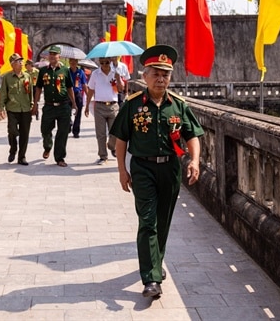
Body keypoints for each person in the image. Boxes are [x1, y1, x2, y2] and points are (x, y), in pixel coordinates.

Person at [110, 45, 203, 299]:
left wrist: (194, 160)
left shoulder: (179, 106)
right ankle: (150, 278)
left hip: (170, 168)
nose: (161, 79)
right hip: (143, 168)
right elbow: (121, 141)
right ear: (145, 76)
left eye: (166, 75)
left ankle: (155, 262)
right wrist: (122, 170)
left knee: (163, 221)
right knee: (148, 221)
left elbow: (192, 135)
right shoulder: (132, 105)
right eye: (156, 74)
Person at [33, 46, 76, 167]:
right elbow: (38, 88)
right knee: (45, 130)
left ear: (59, 57)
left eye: (54, 54)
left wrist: (74, 103)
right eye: (50, 54)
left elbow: (69, 87)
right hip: (49, 106)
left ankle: (60, 157)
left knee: (63, 133)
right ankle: (47, 146)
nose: (52, 56)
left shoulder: (65, 70)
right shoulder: (43, 71)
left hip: (63, 106)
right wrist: (35, 104)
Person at [84, 57, 123, 164]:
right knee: (100, 133)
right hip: (100, 106)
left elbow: (121, 89)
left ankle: (111, 145)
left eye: (106, 62)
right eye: (102, 63)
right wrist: (87, 105)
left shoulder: (115, 73)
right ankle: (103, 156)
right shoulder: (95, 74)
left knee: (115, 131)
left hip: (113, 106)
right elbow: (91, 90)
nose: (104, 65)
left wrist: (118, 78)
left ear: (110, 62)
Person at [0, 53, 34, 166]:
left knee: (25, 134)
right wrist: (1, 107)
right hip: (12, 109)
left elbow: (31, 92)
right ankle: (13, 149)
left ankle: (22, 156)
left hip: (25, 109)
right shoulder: (7, 77)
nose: (21, 63)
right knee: (12, 131)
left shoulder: (27, 76)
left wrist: (32, 104)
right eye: (18, 61)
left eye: (21, 61)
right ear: (13, 64)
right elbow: (3, 93)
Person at [68, 58, 87, 138]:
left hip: (77, 93)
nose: (73, 63)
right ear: (69, 62)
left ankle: (76, 131)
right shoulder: (66, 71)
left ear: (77, 63)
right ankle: (68, 125)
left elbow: (84, 84)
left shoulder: (81, 72)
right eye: (71, 61)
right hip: (68, 94)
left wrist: (88, 95)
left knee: (78, 113)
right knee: (66, 112)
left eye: (75, 61)